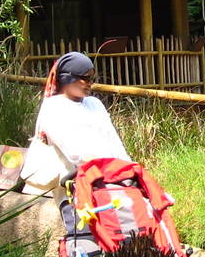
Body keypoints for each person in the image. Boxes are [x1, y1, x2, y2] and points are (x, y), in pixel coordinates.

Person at [21, 51, 130, 207]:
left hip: (108, 176)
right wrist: (107, 174)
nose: (90, 83)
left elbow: (113, 140)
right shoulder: (54, 107)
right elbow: (76, 153)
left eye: (92, 78)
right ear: (67, 77)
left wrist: (128, 171)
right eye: (85, 78)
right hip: (74, 184)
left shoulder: (94, 104)